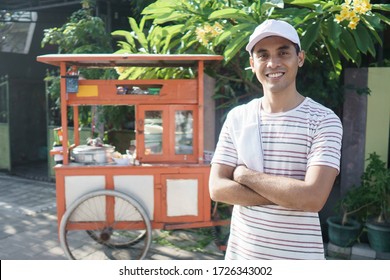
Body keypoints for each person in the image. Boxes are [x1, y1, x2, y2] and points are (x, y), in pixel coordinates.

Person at [209, 19, 343, 260]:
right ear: (252, 63)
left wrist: (243, 176)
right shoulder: (238, 118)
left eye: (283, 52)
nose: (273, 63)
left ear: (300, 58)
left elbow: (313, 199)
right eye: (263, 55)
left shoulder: (324, 120)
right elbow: (217, 189)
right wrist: (291, 195)